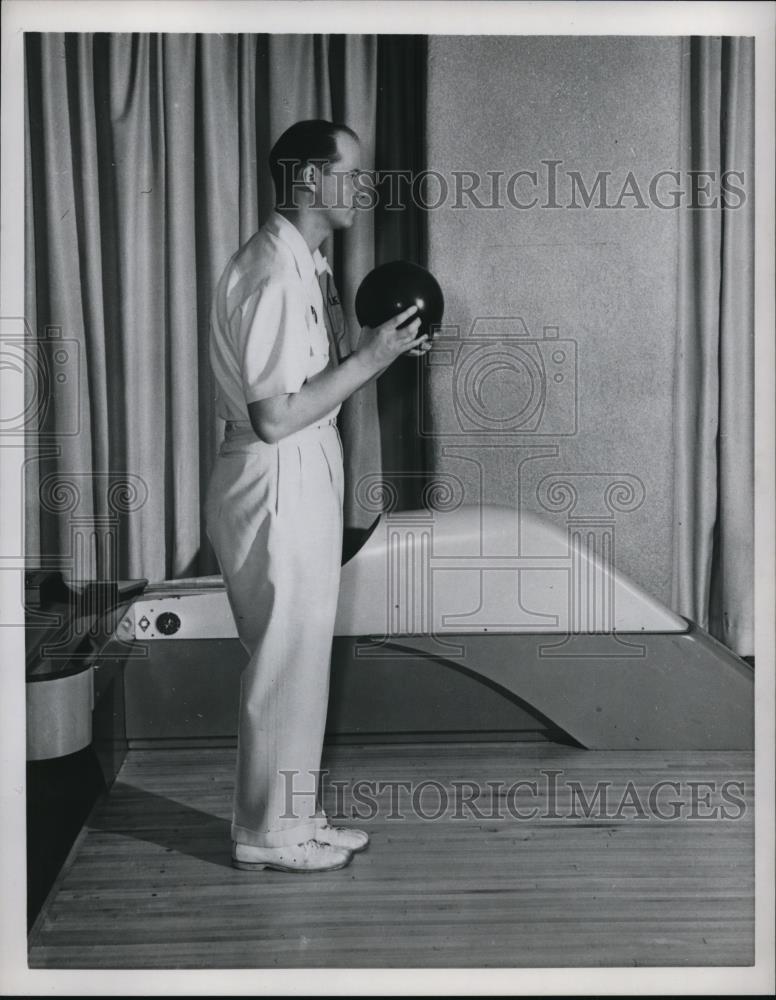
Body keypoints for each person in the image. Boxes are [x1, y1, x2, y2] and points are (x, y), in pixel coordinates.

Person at [205, 120, 430, 873]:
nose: (364, 189)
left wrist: (381, 351)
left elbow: (310, 383)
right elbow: (274, 415)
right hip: (277, 471)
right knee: (284, 657)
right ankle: (267, 834)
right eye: (352, 175)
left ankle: (293, 817)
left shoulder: (306, 265)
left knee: (300, 655)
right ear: (308, 179)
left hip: (302, 465)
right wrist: (367, 360)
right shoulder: (271, 271)